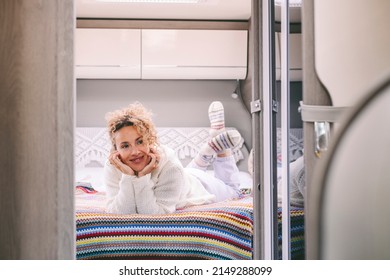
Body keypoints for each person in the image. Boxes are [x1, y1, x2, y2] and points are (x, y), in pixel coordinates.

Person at [104, 101, 243, 215]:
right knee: (184, 172)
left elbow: (154, 215)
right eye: (125, 146)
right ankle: (207, 151)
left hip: (200, 186)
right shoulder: (113, 165)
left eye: (140, 141)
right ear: (115, 149)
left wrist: (142, 176)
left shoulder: (170, 165)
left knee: (234, 191)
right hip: (184, 177)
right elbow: (120, 213)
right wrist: (128, 176)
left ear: (150, 140)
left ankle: (218, 145)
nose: (134, 152)